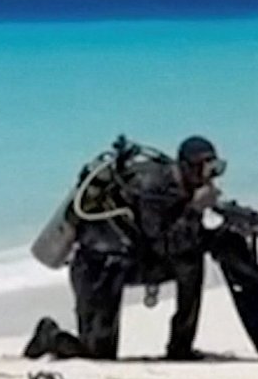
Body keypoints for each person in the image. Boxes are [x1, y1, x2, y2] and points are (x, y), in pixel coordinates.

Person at [25, 136, 223, 362]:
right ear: (187, 166)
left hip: (131, 261)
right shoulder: (151, 186)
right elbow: (161, 243)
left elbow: (181, 240)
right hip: (98, 266)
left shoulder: (186, 186)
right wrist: (194, 210)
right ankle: (49, 335)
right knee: (97, 355)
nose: (210, 175)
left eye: (215, 167)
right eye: (204, 167)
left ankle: (181, 347)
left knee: (190, 261)